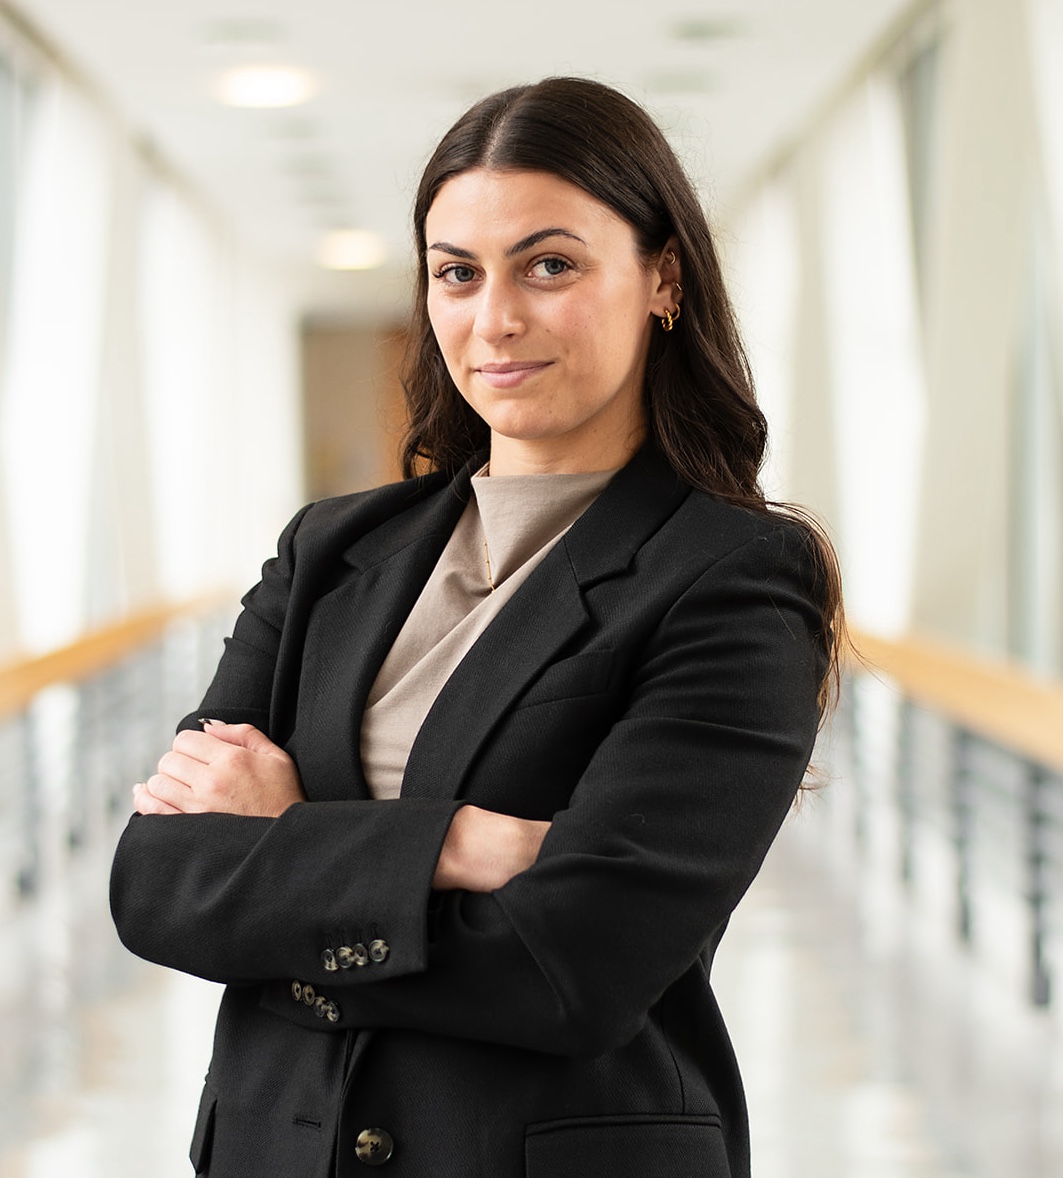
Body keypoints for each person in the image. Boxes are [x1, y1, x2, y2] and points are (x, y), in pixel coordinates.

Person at [111, 76, 842, 1178]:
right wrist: (465, 843)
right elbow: (157, 881)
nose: (493, 318)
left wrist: (285, 848)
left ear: (664, 278)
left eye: (549, 265)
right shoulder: (330, 552)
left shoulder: (733, 575)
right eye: (456, 272)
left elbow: (574, 967)